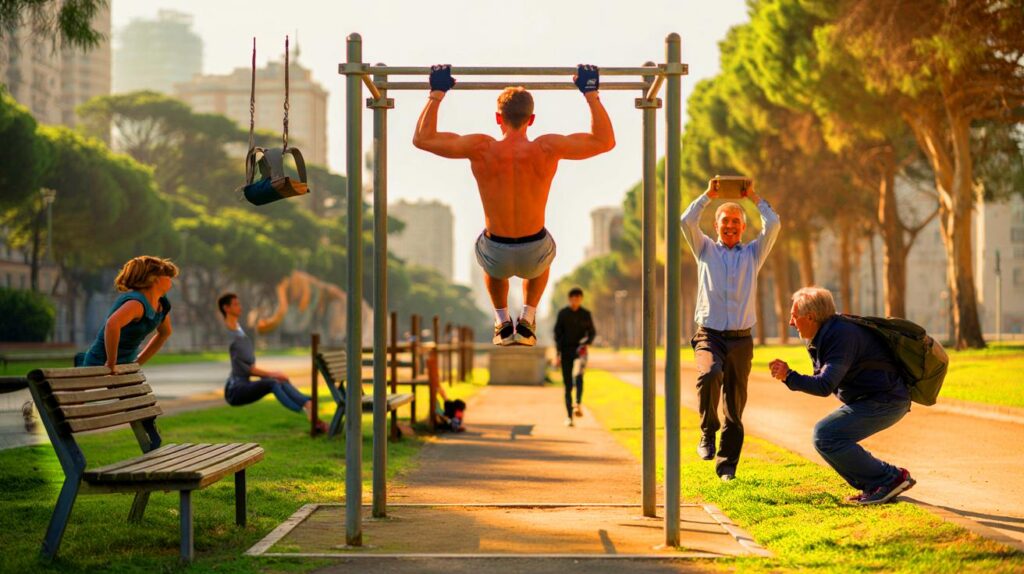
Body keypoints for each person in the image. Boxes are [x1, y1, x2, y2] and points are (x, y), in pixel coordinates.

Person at [413, 64, 615, 347]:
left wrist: (436, 93)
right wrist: (591, 93)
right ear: (531, 119)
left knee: (488, 252)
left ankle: (502, 321)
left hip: (496, 251)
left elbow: (423, 138)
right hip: (535, 250)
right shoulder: (546, 148)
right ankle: (528, 317)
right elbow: (604, 141)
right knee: (544, 249)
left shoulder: (481, 148)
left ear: (498, 117)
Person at [769, 287, 915, 505]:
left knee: (825, 434)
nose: (791, 322)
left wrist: (789, 376)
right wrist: (789, 377)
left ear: (810, 317)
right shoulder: (827, 333)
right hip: (875, 398)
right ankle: (874, 485)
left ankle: (890, 478)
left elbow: (824, 385)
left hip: (887, 400)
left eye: (793, 316)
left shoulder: (841, 335)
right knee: (825, 436)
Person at [680, 178, 780, 481]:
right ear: (716, 225)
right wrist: (708, 196)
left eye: (737, 222)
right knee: (709, 374)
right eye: (726, 221)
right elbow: (686, 221)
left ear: (743, 227)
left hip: (740, 341)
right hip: (709, 335)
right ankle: (707, 432)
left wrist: (753, 197)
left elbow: (773, 224)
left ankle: (727, 468)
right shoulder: (705, 249)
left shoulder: (753, 254)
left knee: (735, 410)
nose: (731, 226)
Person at [218, 293, 327, 433]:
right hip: (235, 390)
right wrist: (272, 374)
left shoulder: (238, 329)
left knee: (279, 380)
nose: (240, 307)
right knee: (273, 382)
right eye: (235, 304)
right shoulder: (231, 334)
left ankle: (308, 403)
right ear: (226, 308)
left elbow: (249, 363)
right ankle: (306, 409)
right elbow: (247, 369)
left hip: (241, 383)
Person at [76, 256, 177, 368]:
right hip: (99, 364)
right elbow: (112, 324)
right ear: (154, 278)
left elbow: (165, 333)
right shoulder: (136, 303)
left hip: (123, 366)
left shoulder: (161, 303)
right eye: (167, 275)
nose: (170, 278)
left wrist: (138, 362)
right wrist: (111, 363)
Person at [553, 287, 596, 427]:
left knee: (578, 376)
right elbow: (557, 334)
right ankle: (569, 417)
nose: (576, 300)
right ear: (569, 299)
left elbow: (592, 332)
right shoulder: (563, 314)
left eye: (578, 298)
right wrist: (558, 353)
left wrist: (587, 342)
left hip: (580, 351)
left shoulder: (586, 314)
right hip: (565, 351)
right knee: (567, 385)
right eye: (573, 298)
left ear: (581, 299)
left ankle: (577, 403)